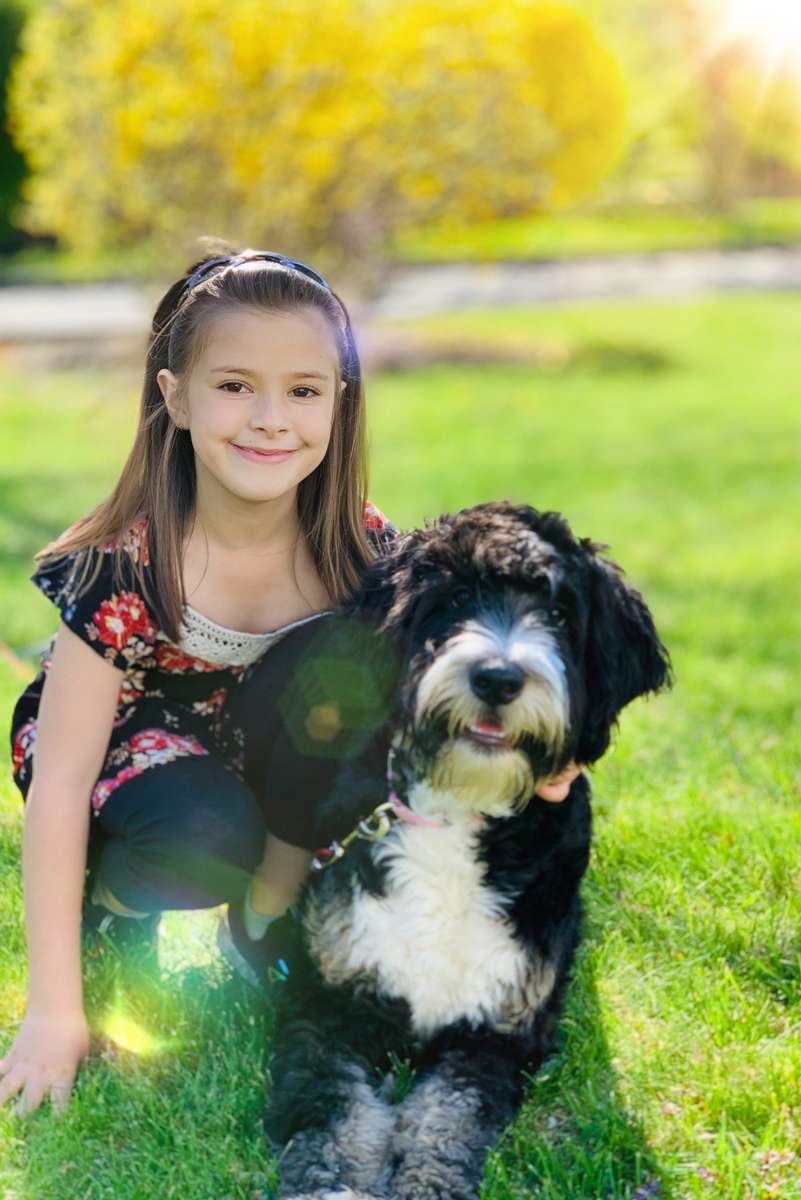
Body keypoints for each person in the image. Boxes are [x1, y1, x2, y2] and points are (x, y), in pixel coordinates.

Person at [1, 247, 581, 1119]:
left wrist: (536, 756)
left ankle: (263, 918)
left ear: (338, 402)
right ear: (174, 396)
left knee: (362, 713)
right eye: (234, 385)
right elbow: (59, 788)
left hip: (267, 752)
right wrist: (53, 1011)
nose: (271, 420)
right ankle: (120, 901)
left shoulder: (363, 548)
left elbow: (432, 690)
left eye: (304, 391)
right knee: (203, 832)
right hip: (131, 756)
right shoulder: (123, 563)